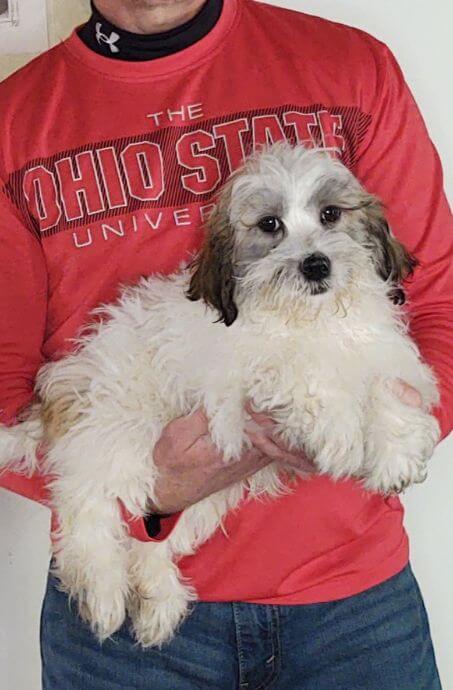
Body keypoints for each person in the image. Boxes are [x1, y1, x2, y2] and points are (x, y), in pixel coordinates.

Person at [0, 1, 451, 688]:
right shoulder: (13, 121)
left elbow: (439, 297)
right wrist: (153, 490)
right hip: (122, 617)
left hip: (354, 608)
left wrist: (393, 434)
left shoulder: (352, 67)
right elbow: (5, 391)